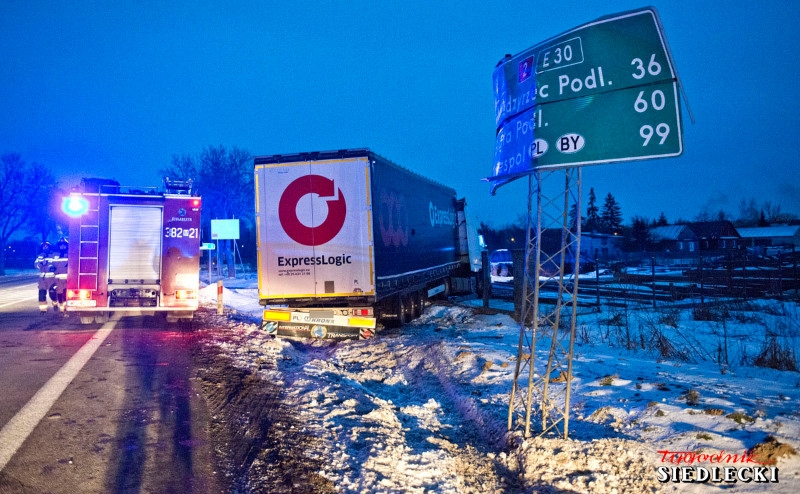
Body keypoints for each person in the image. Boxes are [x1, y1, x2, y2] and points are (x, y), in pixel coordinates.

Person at [35, 241, 54, 313]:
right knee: (42, 294)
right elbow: (36, 265)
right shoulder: (40, 256)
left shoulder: (53, 255)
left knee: (53, 294)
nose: (45, 248)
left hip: (52, 279)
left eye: (46, 247)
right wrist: (41, 263)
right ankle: (43, 309)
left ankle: (55, 303)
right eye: (44, 247)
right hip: (42, 279)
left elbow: (57, 264)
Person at [51, 238, 69, 312]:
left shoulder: (70, 253)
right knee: (54, 292)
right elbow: (51, 264)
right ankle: (57, 304)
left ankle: (64, 309)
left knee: (65, 294)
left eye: (64, 245)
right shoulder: (54, 254)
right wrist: (51, 268)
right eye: (61, 245)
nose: (62, 246)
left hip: (67, 279)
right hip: (57, 279)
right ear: (58, 246)